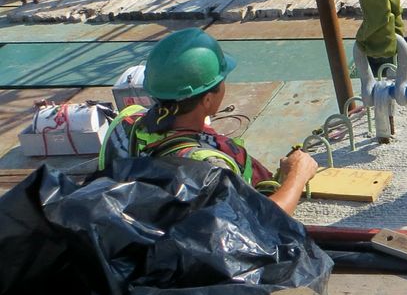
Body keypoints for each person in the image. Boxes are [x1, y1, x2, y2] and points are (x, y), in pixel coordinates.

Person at [99, 29, 319, 214]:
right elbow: (268, 220)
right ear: (207, 99)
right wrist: (296, 176)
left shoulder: (124, 125)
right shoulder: (208, 168)